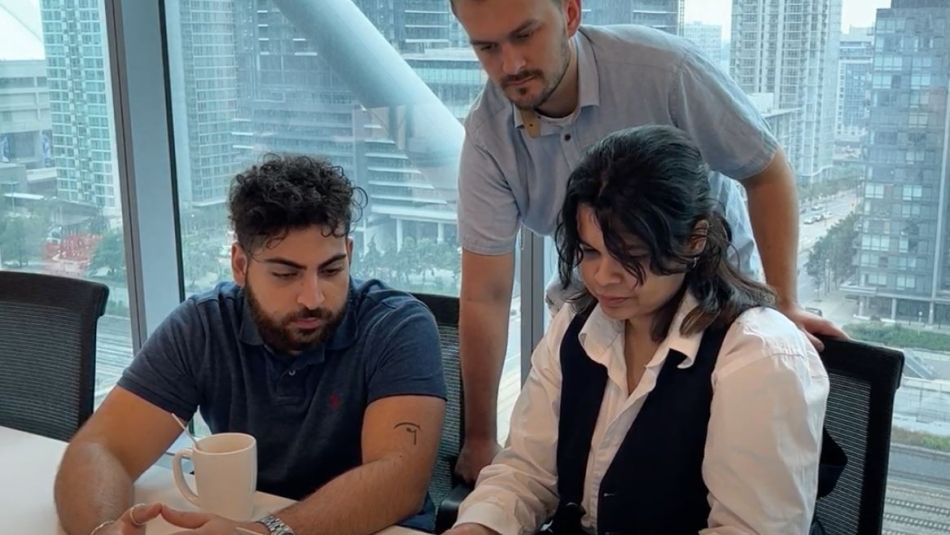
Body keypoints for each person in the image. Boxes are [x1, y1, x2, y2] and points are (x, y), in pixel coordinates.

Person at [449, 0, 845, 481]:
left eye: (525, 35)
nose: (510, 65)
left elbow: (764, 171)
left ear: (570, 15)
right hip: (598, 322)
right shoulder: (489, 133)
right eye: (487, 48)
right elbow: (486, 294)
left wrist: (782, 303)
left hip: (707, 316)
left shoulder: (664, 71)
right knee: (577, 485)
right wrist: (479, 438)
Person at [446, 125, 829, 535]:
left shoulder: (759, 357)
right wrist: (479, 527)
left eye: (630, 256)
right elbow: (525, 472)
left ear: (694, 240)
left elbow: (747, 529)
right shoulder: (575, 325)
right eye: (589, 251)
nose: (602, 276)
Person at [54, 155, 447, 535]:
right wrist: (104, 530)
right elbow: (100, 449)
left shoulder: (397, 325)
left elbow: (399, 478)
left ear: (349, 253)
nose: (313, 297)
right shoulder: (204, 325)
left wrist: (263, 533)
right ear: (240, 265)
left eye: (330, 270)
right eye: (284, 274)